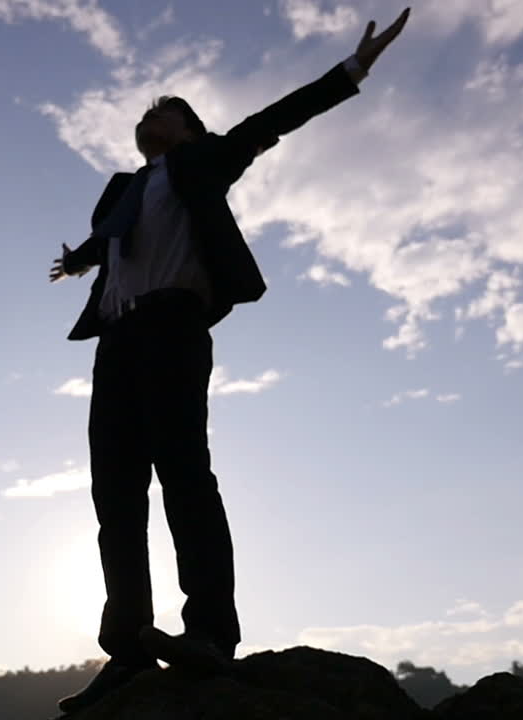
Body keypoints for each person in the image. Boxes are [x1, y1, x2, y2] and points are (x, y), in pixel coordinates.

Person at [47, 8, 411, 714]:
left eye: (166, 111)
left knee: (185, 477)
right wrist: (79, 261)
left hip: (175, 326)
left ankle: (210, 634)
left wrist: (353, 69)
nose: (149, 117)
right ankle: (126, 649)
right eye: (145, 112)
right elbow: (108, 239)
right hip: (117, 340)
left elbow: (270, 121)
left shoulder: (202, 162)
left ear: (190, 130)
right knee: (114, 498)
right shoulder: (123, 187)